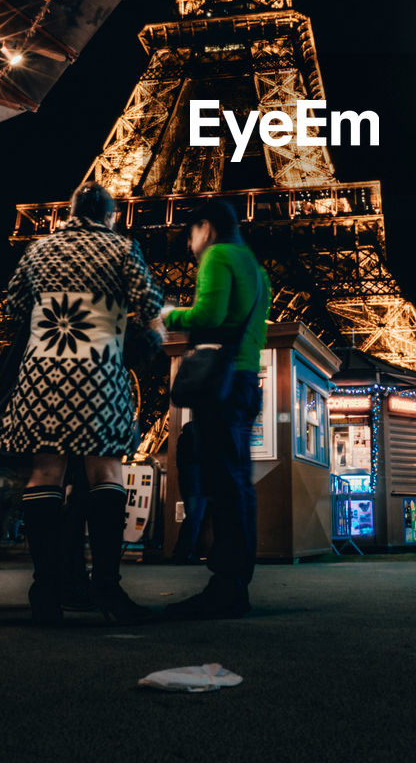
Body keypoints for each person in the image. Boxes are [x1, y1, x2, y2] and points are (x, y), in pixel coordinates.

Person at [0, 181, 163, 626]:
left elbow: (15, 305)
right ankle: (107, 587)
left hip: (43, 368)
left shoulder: (39, 249)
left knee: (45, 472)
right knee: (105, 470)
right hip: (98, 367)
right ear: (111, 216)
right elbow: (151, 305)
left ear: (69, 212)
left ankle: (46, 591)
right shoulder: (121, 249)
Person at [162, 198, 270, 619]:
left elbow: (210, 313)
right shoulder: (255, 268)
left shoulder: (219, 254)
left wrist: (169, 315)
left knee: (221, 484)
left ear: (205, 228)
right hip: (245, 381)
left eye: (191, 234)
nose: (190, 244)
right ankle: (235, 580)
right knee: (237, 482)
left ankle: (225, 585)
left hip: (220, 387)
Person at [171, 421, 206, 565]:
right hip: (196, 479)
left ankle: (182, 552)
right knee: (195, 516)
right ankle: (184, 553)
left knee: (192, 515)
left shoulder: (187, 432)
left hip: (187, 478)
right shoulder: (200, 431)